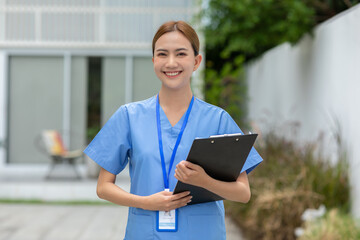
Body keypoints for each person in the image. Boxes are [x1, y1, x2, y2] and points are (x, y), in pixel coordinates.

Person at [84, 20, 262, 240]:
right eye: (162, 54)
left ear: (196, 61)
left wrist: (204, 181)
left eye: (180, 54)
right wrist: (146, 202)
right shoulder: (129, 116)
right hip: (145, 232)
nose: (171, 63)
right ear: (153, 61)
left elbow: (243, 193)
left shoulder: (218, 120)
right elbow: (103, 187)